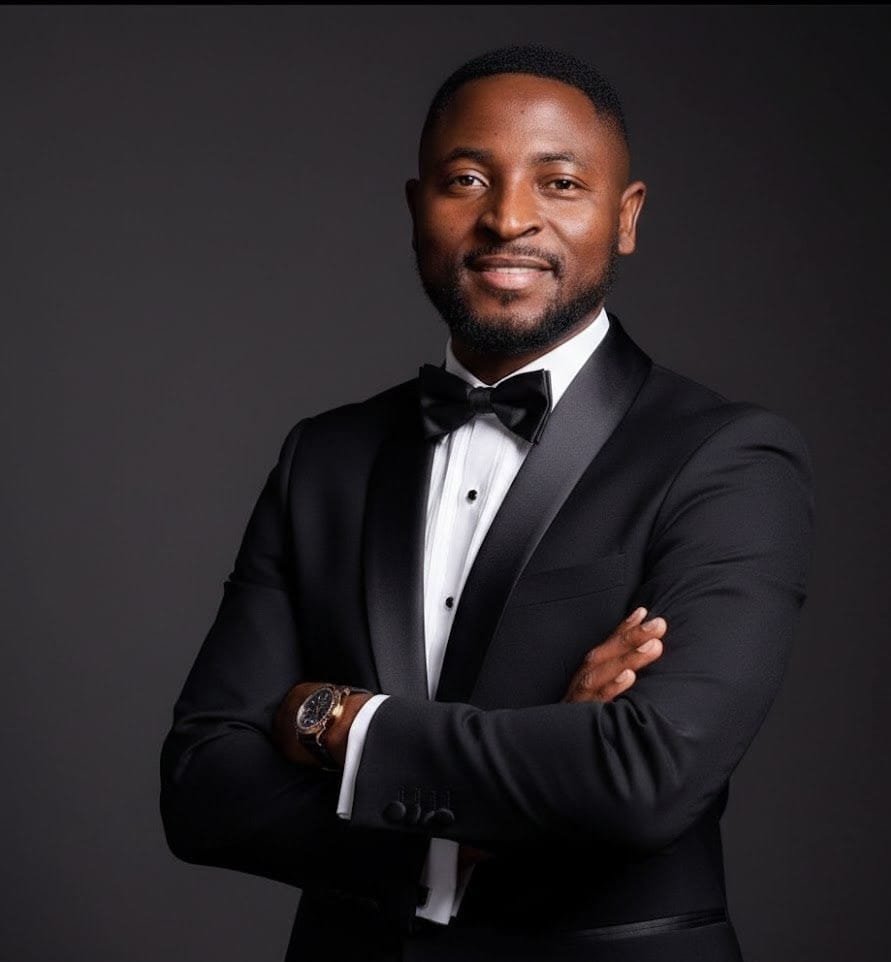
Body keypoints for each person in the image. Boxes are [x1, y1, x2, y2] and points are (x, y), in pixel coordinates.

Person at [160, 45, 814, 962]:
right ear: (415, 208)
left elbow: (647, 779)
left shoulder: (727, 458)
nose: (508, 218)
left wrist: (341, 721)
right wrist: (470, 826)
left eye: (560, 183)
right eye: (467, 179)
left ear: (626, 217)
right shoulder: (325, 457)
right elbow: (202, 788)